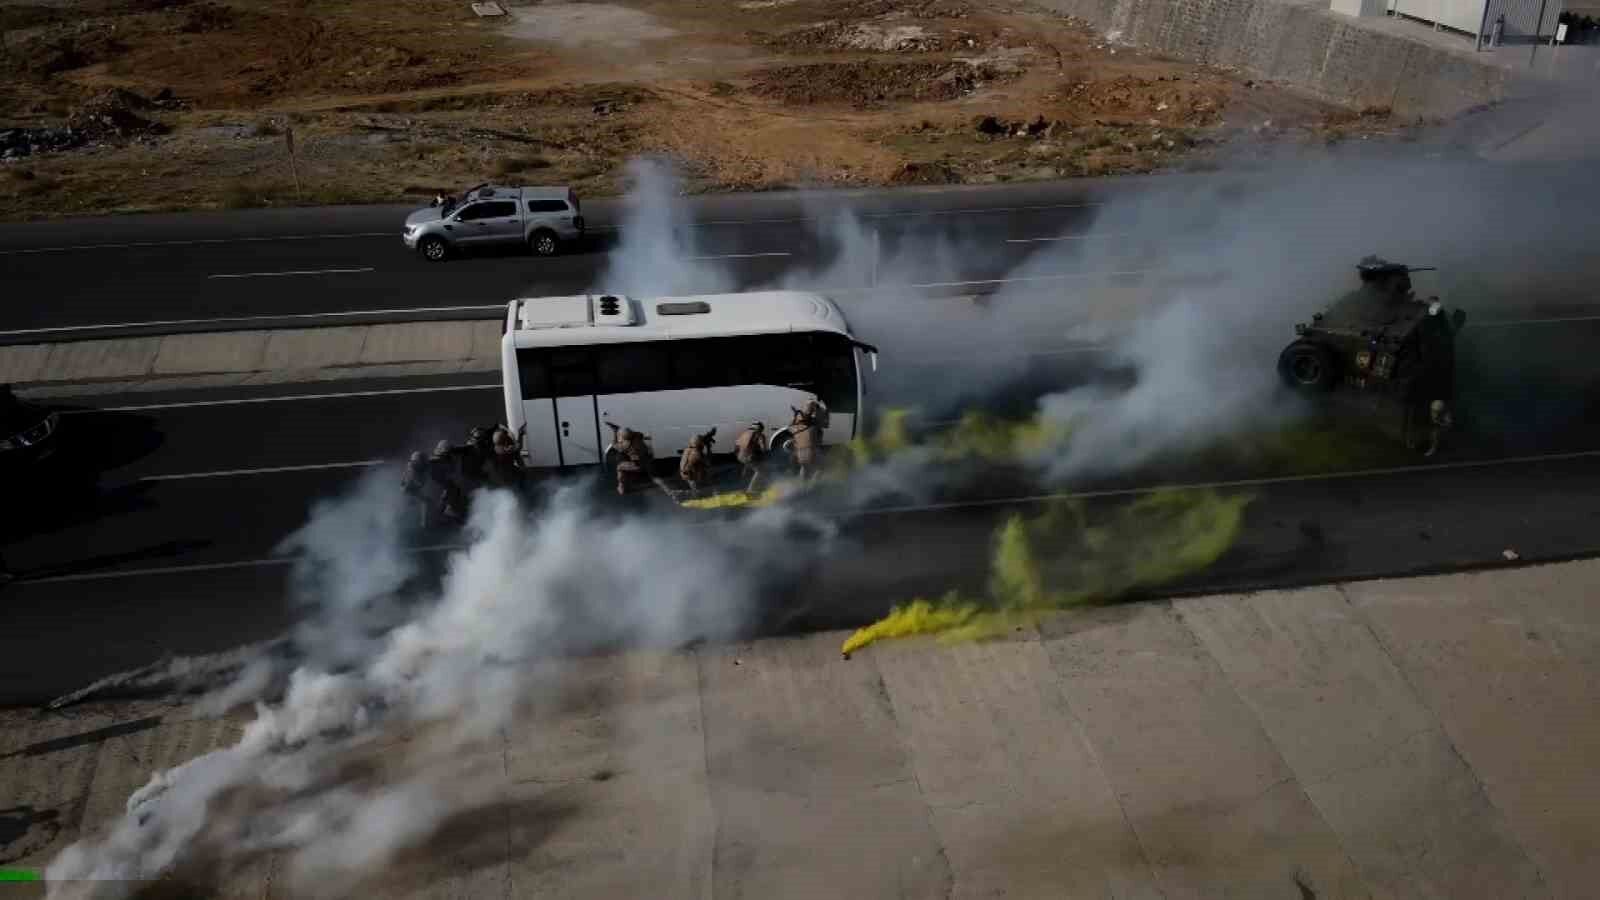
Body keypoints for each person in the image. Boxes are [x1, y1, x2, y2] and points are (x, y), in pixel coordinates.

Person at [606, 422, 653, 497]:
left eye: (621, 437)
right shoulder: (637, 436)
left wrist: (615, 432)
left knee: (619, 467)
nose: (620, 438)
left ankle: (621, 486)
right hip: (648, 457)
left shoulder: (627, 445)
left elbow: (615, 445)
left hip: (640, 464)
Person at [788, 400, 828, 481]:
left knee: (804, 467)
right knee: (821, 467)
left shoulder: (795, 423)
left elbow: (791, 426)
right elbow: (825, 424)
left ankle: (803, 487)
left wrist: (796, 413)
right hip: (810, 450)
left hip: (800, 452)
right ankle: (812, 487)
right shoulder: (813, 422)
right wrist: (824, 410)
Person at [679, 428, 716, 495]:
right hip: (690, 476)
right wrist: (709, 448)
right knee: (696, 485)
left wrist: (708, 435)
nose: (703, 444)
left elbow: (697, 440)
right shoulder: (696, 454)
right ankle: (697, 492)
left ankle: (695, 488)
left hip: (686, 473)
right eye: (702, 443)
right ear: (700, 444)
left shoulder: (688, 449)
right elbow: (708, 462)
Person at [734, 421, 768, 492]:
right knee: (760, 471)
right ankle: (751, 489)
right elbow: (764, 449)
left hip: (739, 456)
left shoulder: (745, 433)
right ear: (760, 429)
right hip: (748, 456)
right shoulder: (759, 435)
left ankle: (741, 485)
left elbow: (736, 445)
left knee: (747, 467)